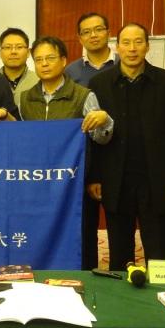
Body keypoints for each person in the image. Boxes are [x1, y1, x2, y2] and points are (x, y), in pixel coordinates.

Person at [87, 23, 165, 270]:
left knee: (158, 248)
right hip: (115, 178)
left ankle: (158, 290)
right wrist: (95, 176)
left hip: (156, 178)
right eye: (126, 43)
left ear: (147, 46)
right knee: (119, 250)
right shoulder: (100, 83)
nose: (132, 48)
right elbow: (94, 136)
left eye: (138, 42)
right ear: (117, 47)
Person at [20, 36, 114, 270]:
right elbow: (23, 140)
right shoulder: (26, 98)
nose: (44, 64)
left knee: (82, 239)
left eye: (50, 58)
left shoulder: (84, 95)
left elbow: (101, 139)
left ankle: (87, 281)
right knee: (40, 236)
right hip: (38, 185)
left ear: (63, 61)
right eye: (38, 59)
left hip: (75, 185)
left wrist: (105, 121)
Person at [65, 12, 116, 87]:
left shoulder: (124, 63)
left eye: (98, 29)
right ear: (80, 39)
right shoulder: (71, 71)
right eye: (86, 32)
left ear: (108, 33)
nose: (93, 35)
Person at [0, 28, 38, 109]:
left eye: (19, 47)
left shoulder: (38, 81)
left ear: (28, 52)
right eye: (8, 47)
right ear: (0, 53)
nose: (13, 52)